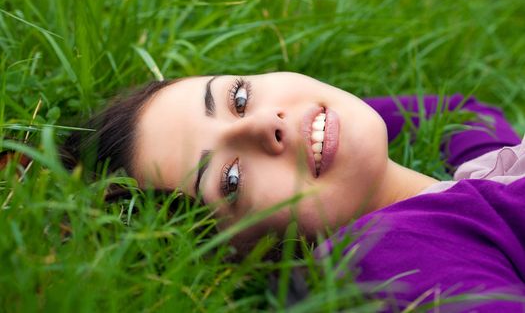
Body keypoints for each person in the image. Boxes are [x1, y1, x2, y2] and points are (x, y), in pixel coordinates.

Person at [61, 72, 525, 311]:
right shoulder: (398, 254)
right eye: (231, 180)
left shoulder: (481, 174)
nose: (266, 124)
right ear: (246, 256)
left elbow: (462, 113)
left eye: (238, 99)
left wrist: (327, 116)